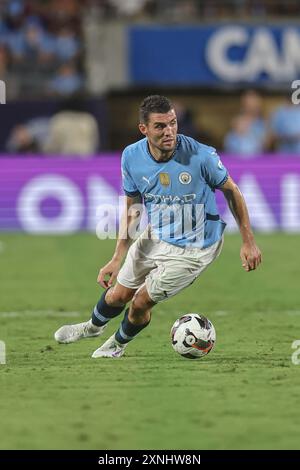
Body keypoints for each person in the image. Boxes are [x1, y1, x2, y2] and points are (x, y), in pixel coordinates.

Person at [54, 95, 262, 358]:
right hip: (156, 235)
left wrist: (248, 241)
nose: (169, 131)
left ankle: (117, 345)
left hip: (195, 248)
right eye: (160, 126)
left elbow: (232, 191)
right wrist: (116, 257)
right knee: (118, 295)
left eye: (173, 123)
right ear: (144, 129)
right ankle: (93, 327)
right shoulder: (131, 156)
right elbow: (132, 208)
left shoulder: (201, 155)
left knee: (140, 301)